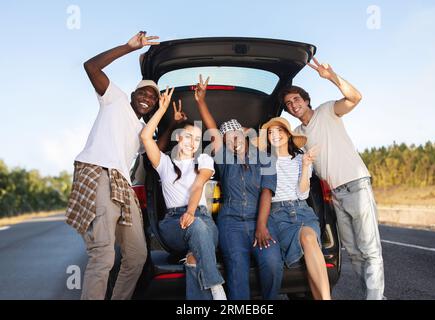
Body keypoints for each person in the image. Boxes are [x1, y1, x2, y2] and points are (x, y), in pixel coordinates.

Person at [65, 31, 161, 300]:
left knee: (137, 256)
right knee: (104, 254)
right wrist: (129, 47)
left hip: (122, 182)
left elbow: (157, 149)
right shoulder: (115, 99)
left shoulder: (142, 130)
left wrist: (172, 120)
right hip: (98, 171)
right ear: (133, 93)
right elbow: (90, 66)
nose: (147, 98)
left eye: (152, 97)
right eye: (143, 92)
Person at [281, 57, 385, 300]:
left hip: (356, 185)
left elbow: (355, 98)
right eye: (288, 103)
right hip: (335, 195)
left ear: (306, 100)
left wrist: (332, 77)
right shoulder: (297, 134)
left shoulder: (328, 111)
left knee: (369, 250)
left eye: (297, 99)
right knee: (355, 254)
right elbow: (276, 147)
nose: (294, 104)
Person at [194, 75, 283, 300]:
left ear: (243, 134)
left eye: (235, 134)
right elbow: (212, 130)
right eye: (227, 137)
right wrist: (201, 101)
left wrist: (261, 226)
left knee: (272, 264)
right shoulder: (224, 158)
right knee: (237, 273)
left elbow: (266, 192)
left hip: (260, 218)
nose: (233, 139)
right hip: (231, 223)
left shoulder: (265, 157)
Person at [140, 89, 227, 300]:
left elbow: (198, 186)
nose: (193, 142)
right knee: (194, 225)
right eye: (188, 136)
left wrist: (191, 212)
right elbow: (145, 137)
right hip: (173, 224)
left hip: (203, 221)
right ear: (178, 137)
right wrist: (162, 110)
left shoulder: (204, 160)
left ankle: (208, 284)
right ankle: (216, 284)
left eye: (197, 139)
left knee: (193, 259)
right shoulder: (164, 163)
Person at [256, 117, 331, 300]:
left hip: (301, 210)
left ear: (288, 135)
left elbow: (303, 194)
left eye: (279, 131)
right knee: (308, 244)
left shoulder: (300, 158)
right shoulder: (262, 160)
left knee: (308, 237)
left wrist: (305, 165)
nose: (275, 135)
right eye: (271, 132)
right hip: (277, 214)